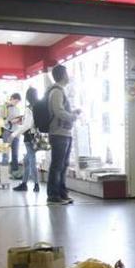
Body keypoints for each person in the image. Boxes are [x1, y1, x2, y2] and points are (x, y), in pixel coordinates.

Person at [46, 65, 81, 205]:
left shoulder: (60, 91)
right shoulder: (57, 92)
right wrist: (72, 116)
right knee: (57, 165)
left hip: (64, 133)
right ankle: (54, 195)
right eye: (67, 73)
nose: (69, 76)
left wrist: (72, 113)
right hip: (59, 133)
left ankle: (61, 193)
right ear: (62, 75)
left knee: (63, 164)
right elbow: (58, 111)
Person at [11, 87, 40, 193]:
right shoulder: (39, 106)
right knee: (27, 161)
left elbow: (27, 125)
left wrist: (14, 134)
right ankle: (24, 183)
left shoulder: (29, 108)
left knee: (32, 160)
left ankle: (36, 184)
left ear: (27, 97)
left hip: (29, 137)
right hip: (37, 137)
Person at [5, 93, 23, 174]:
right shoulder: (5, 108)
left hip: (16, 132)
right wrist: (11, 122)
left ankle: (14, 172)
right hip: (7, 132)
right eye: (16, 101)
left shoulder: (17, 109)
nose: (16, 103)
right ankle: (4, 173)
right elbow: (2, 121)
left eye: (18, 102)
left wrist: (19, 121)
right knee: (6, 153)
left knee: (15, 153)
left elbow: (18, 120)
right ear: (11, 98)